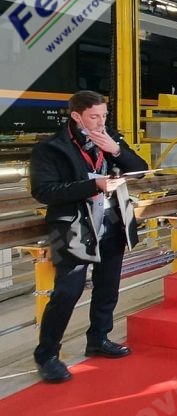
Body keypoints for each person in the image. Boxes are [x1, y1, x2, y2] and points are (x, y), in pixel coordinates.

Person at [29, 90, 149, 383]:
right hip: (74, 226)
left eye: (104, 115)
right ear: (76, 116)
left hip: (112, 222)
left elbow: (141, 171)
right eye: (94, 116)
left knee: (108, 286)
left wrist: (117, 151)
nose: (101, 122)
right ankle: (47, 355)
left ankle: (99, 338)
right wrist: (94, 185)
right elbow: (44, 191)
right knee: (67, 292)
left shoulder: (111, 138)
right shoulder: (51, 148)